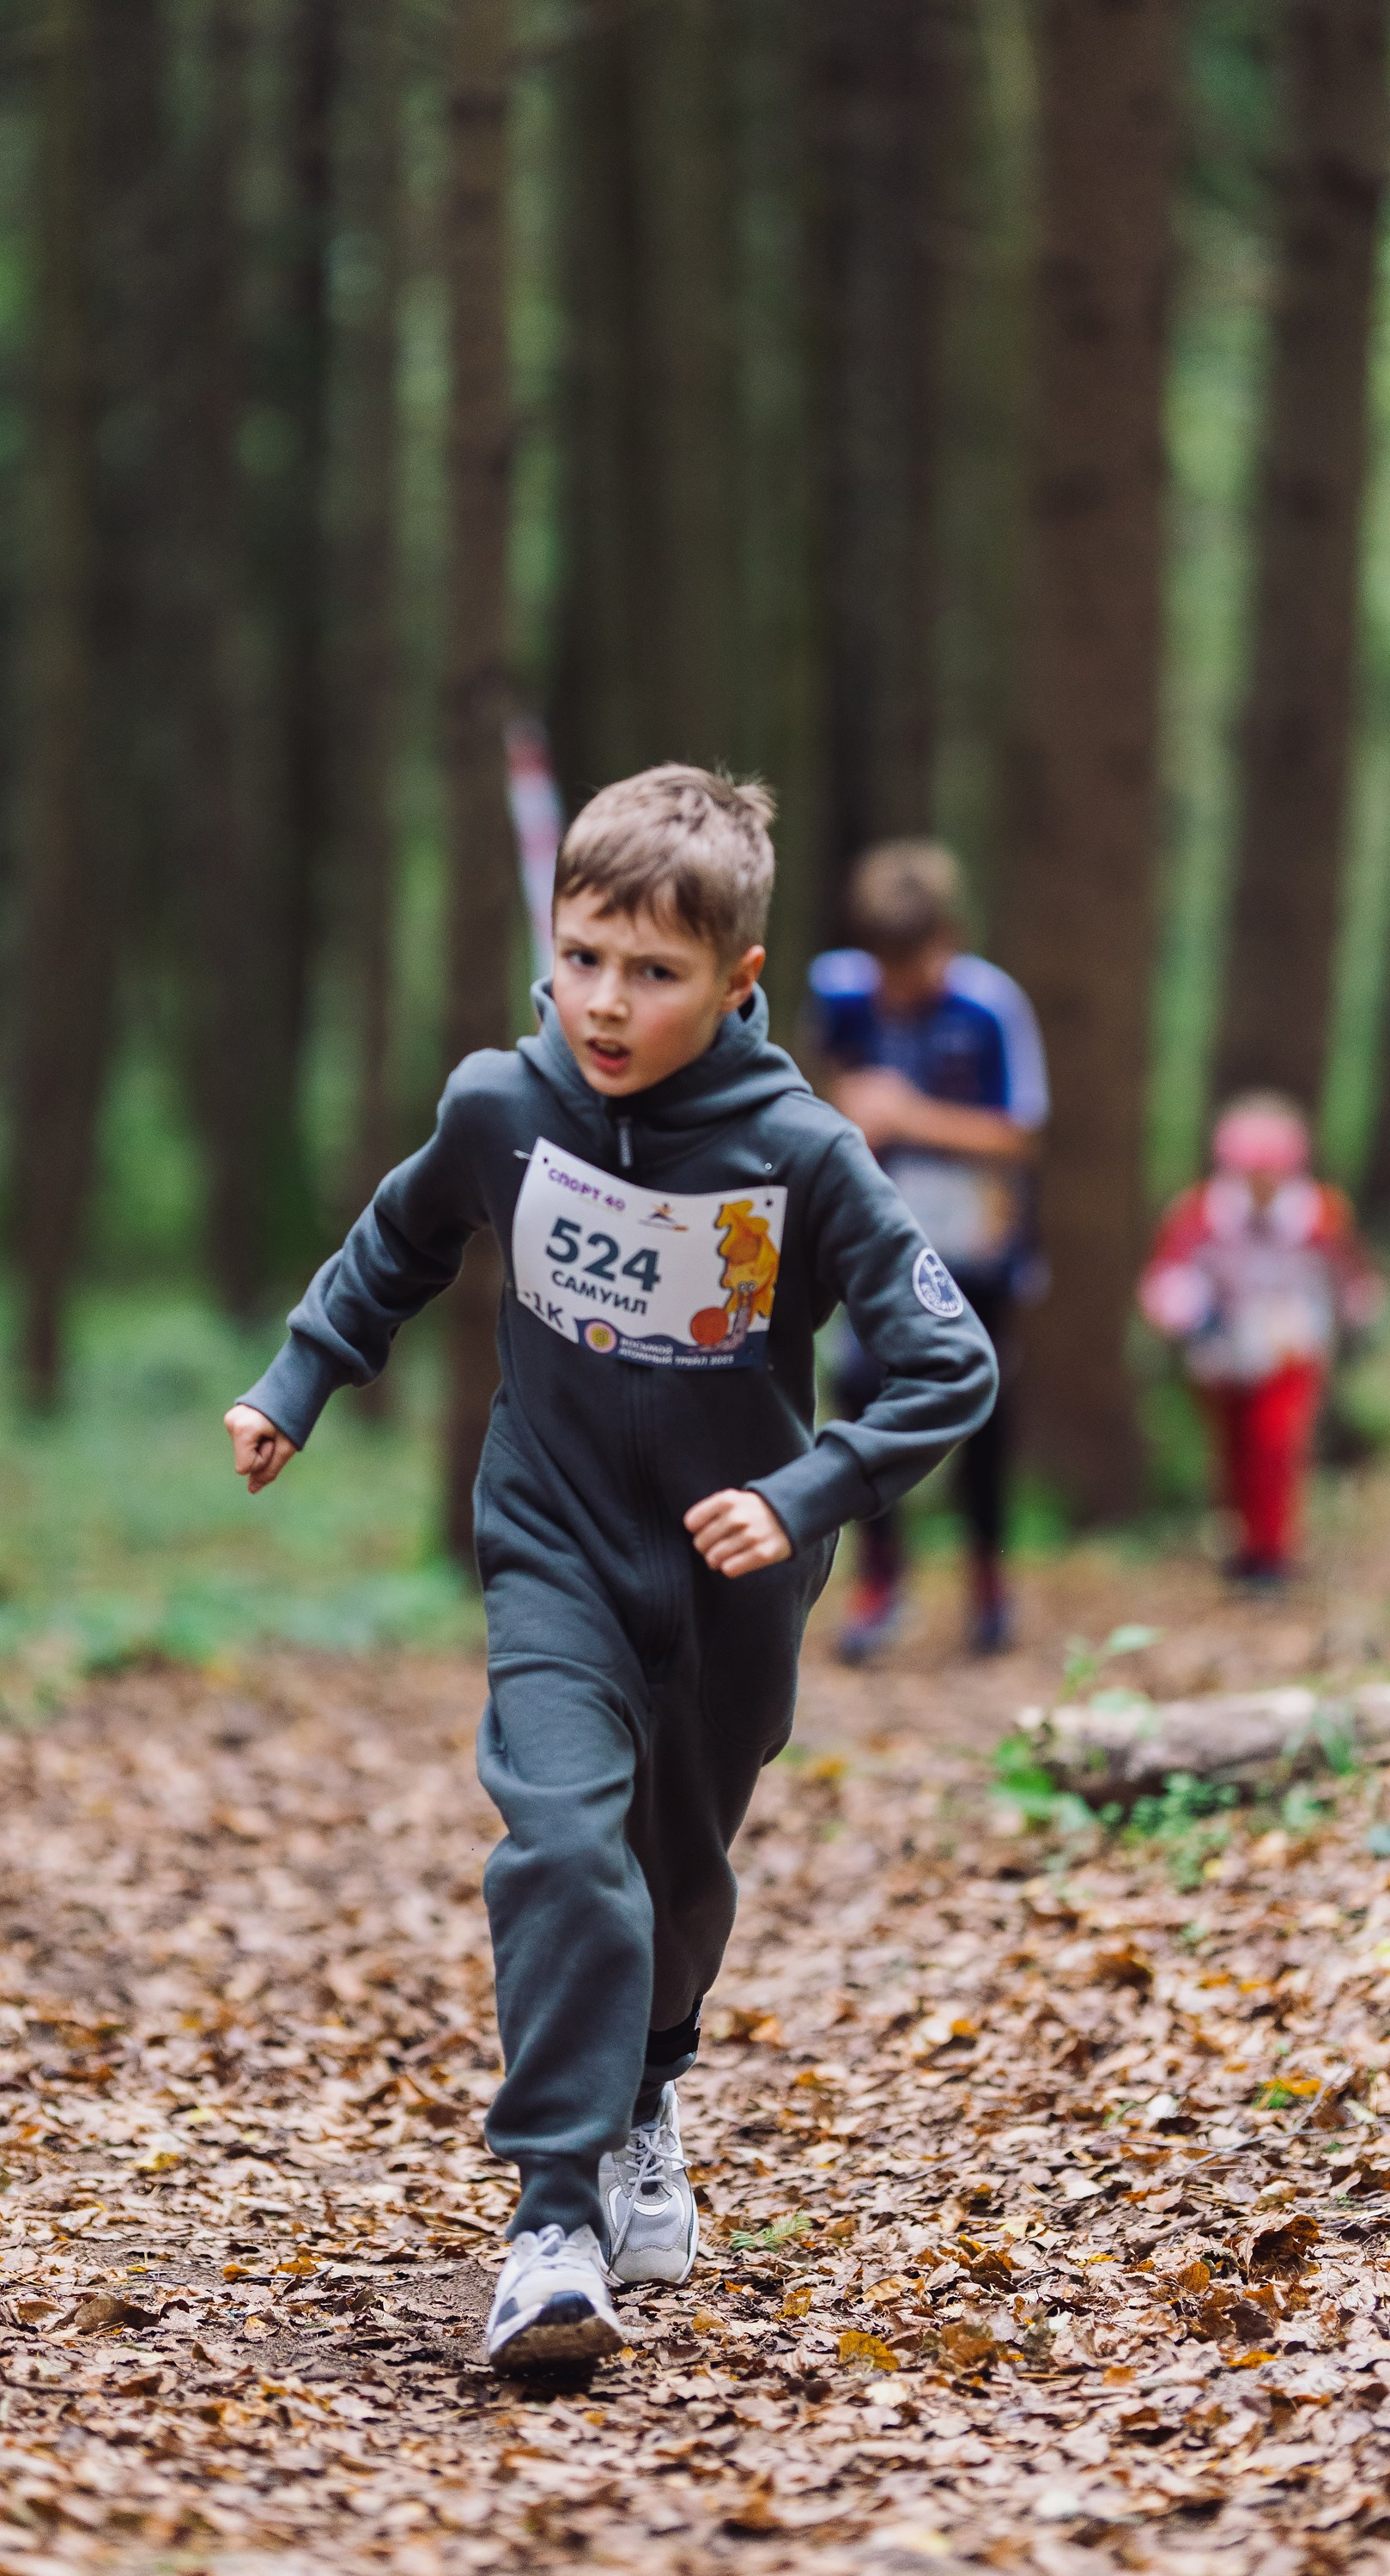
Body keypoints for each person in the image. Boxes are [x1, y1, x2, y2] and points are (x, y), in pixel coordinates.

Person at [223, 769, 996, 2372]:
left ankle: (649, 2088)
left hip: (733, 1583)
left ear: (739, 982)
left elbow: (947, 1365)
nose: (605, 1002)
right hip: (556, 1544)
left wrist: (809, 1489)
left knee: (680, 1879)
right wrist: (297, 1381)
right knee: (567, 1848)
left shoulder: (802, 1151)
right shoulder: (504, 1108)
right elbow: (398, 1241)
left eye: (653, 973)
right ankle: (553, 2220)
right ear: (548, 947)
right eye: (582, 957)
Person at [804, 841, 1047, 1659]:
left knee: (982, 1408)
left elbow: (1019, 1134)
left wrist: (910, 1116)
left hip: (978, 1245)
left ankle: (987, 1584)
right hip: (880, 1244)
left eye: (915, 961)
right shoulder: (839, 992)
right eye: (887, 963)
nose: (900, 982)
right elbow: (820, 1089)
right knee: (863, 1391)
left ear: (952, 936)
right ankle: (880, 1583)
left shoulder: (990, 1007)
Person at [1138, 1092, 1381, 1585]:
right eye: (1251, 1168)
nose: (1262, 1180)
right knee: (1233, 1447)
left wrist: (1358, 1320)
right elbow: (1168, 1277)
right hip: (1219, 1350)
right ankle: (1244, 1542)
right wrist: (1183, 1314)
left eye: (1272, 1168)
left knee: (1277, 1442)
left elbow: (1351, 1276)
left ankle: (1272, 1551)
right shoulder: (1198, 1212)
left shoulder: (1321, 1214)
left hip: (1289, 1345)